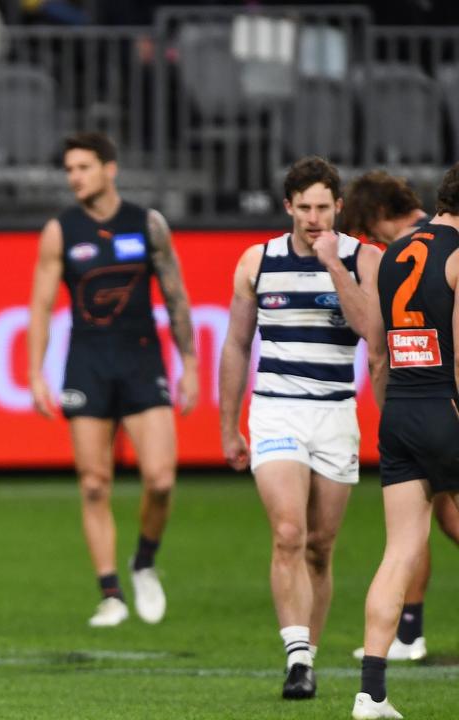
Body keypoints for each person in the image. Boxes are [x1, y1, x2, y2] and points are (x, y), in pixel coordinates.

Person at [219, 156, 385, 700]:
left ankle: (308, 655)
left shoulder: (365, 258)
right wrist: (228, 425)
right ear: (288, 206)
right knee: (288, 532)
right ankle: (296, 658)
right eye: (304, 207)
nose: (314, 218)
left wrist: (333, 265)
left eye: (324, 208)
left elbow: (371, 335)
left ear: (339, 208)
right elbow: (237, 344)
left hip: (336, 412)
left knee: (320, 545)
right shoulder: (257, 260)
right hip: (276, 409)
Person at [27, 132, 198, 628]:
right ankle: (110, 593)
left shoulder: (147, 224)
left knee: (162, 480)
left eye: (83, 167)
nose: (75, 177)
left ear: (110, 168)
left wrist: (189, 362)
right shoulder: (61, 230)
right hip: (88, 364)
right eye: (69, 169)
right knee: (96, 484)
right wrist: (35, 373)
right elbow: (41, 305)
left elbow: (177, 296)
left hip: (143, 360)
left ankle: (144, 561)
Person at [351, 163, 459, 720]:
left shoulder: (394, 255)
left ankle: (370, 694)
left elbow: (381, 344)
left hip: (400, 412)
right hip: (448, 408)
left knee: (399, 554)